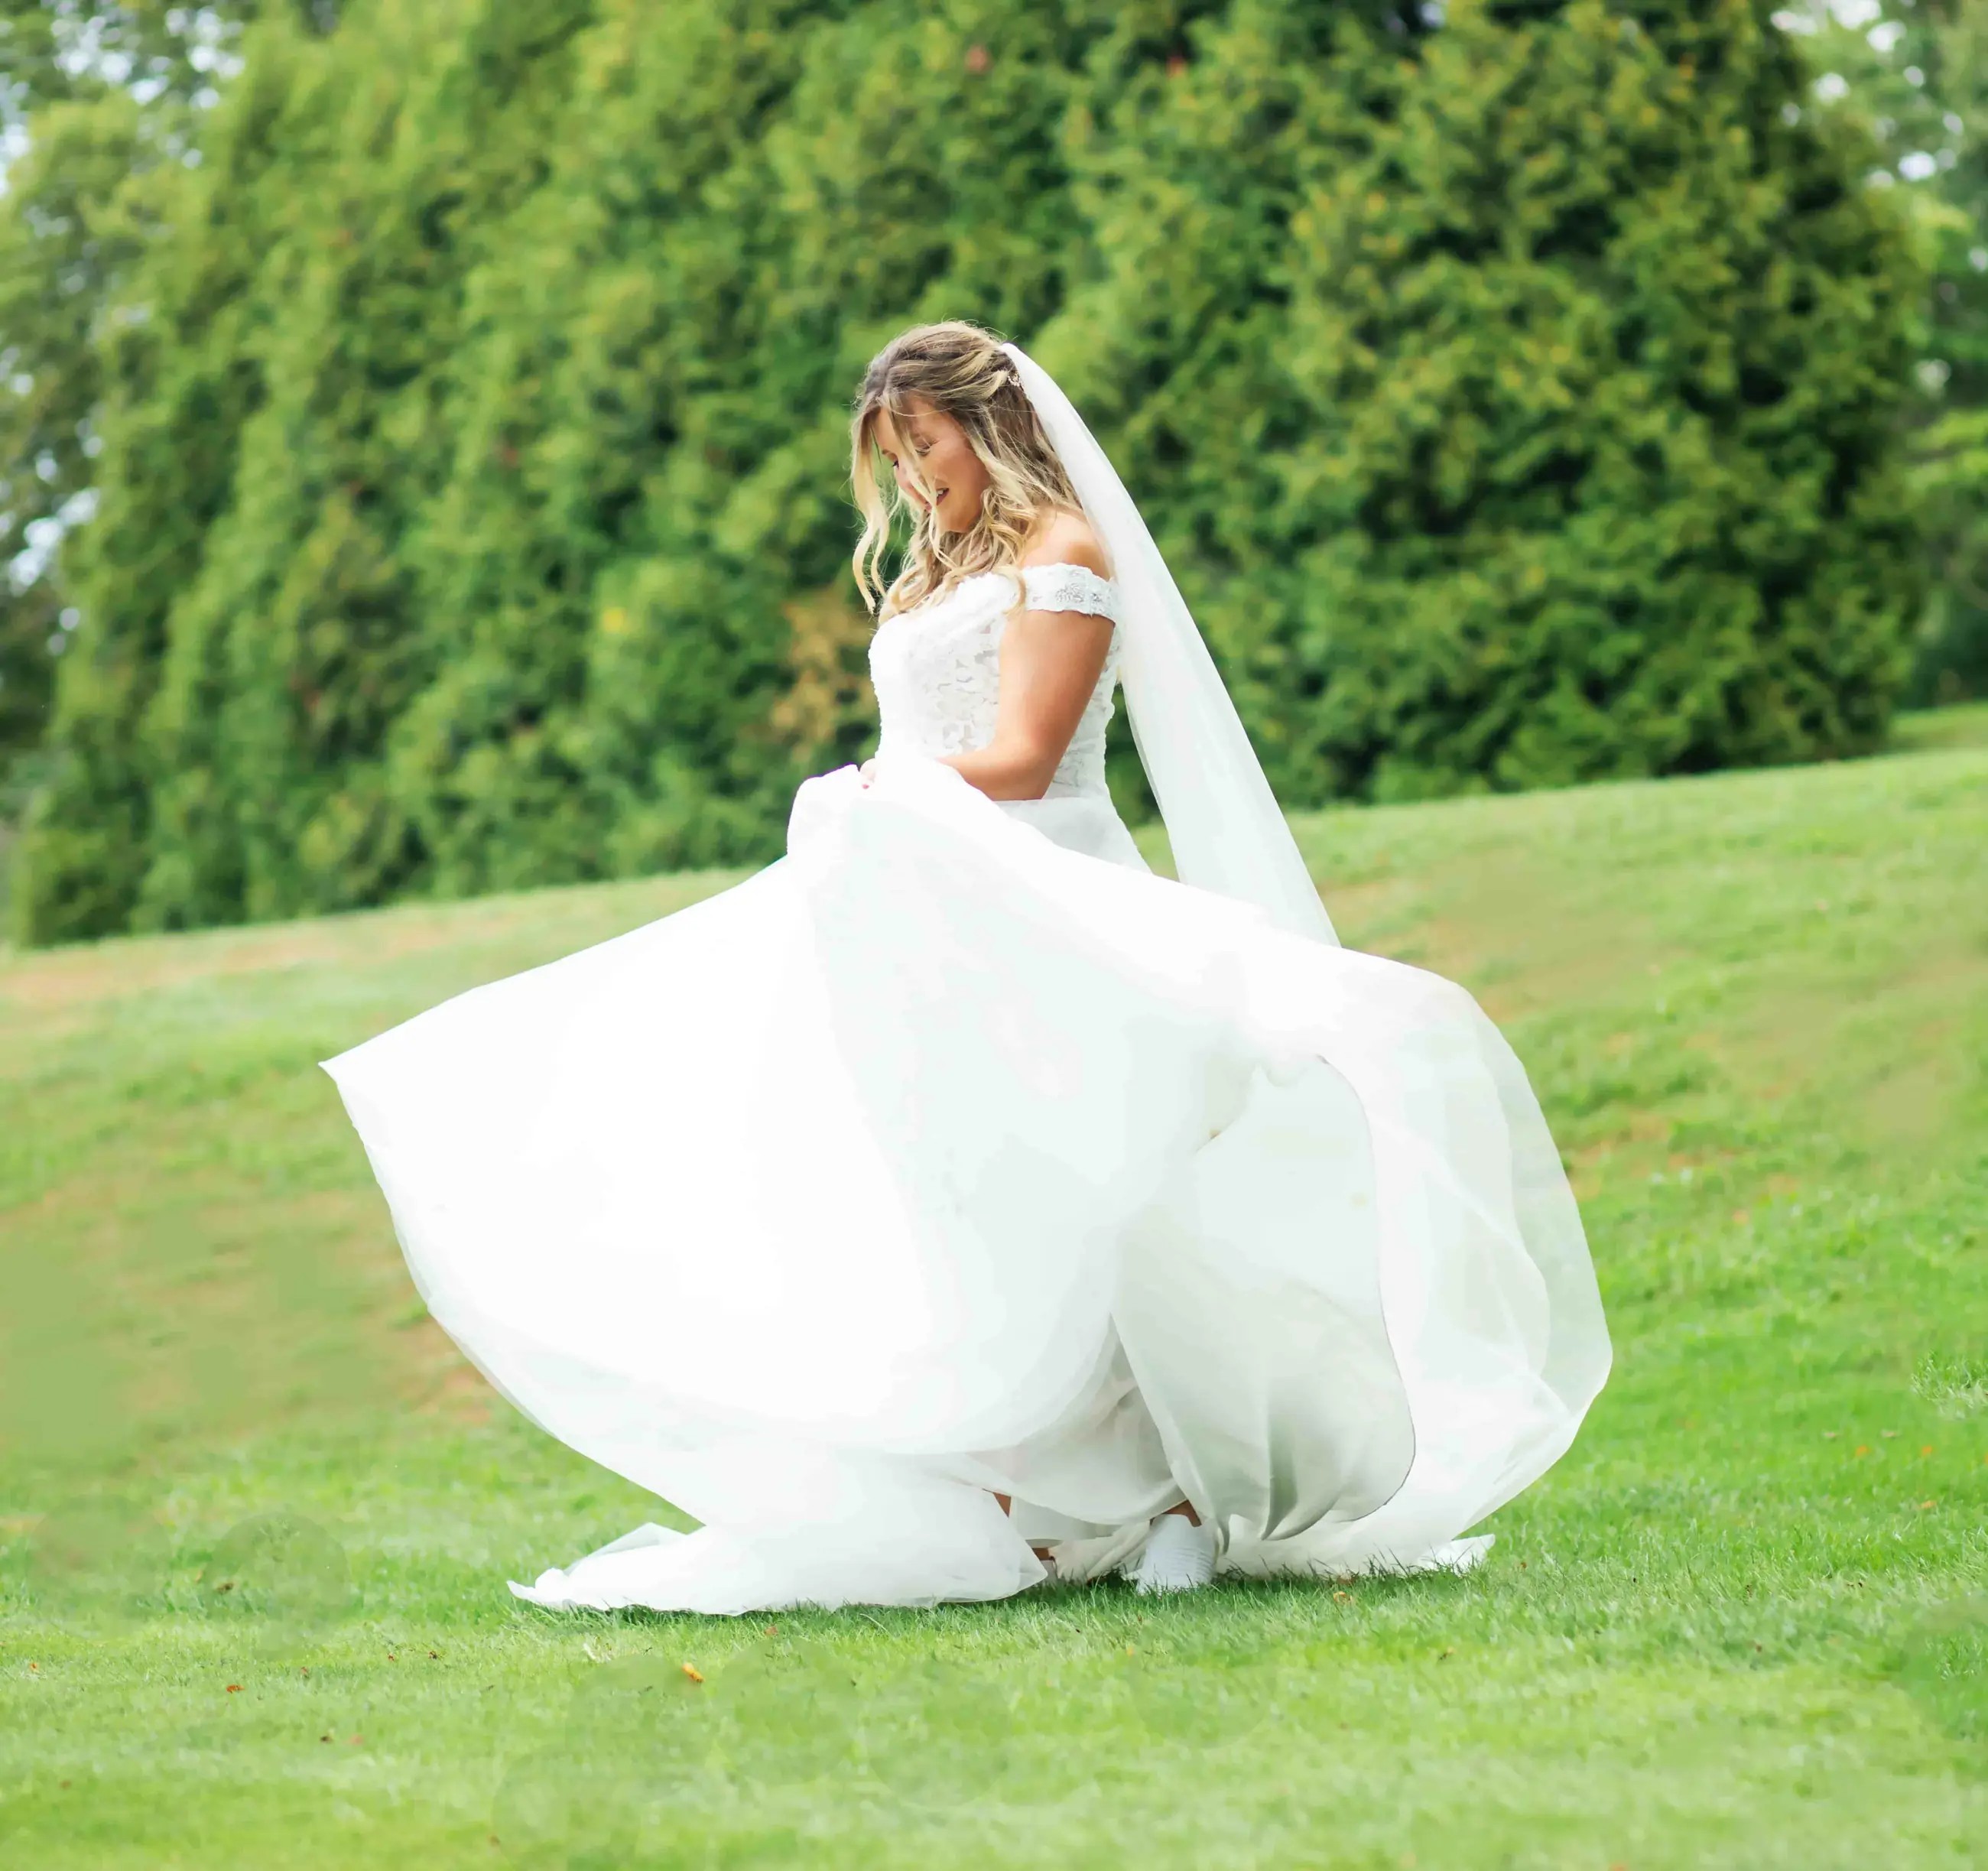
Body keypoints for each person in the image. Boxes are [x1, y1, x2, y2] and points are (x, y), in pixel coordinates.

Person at [323, 320, 1610, 1613]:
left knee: (1108, 1202)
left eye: (924, 445)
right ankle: (1022, 1503)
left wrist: (874, 788)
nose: (912, 478)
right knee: (960, 1209)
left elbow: (1030, 761)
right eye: (895, 455)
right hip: (919, 912)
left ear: (987, 426)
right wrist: (868, 819)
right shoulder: (933, 576)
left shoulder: (1065, 559)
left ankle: (1173, 1504)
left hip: (1051, 901)